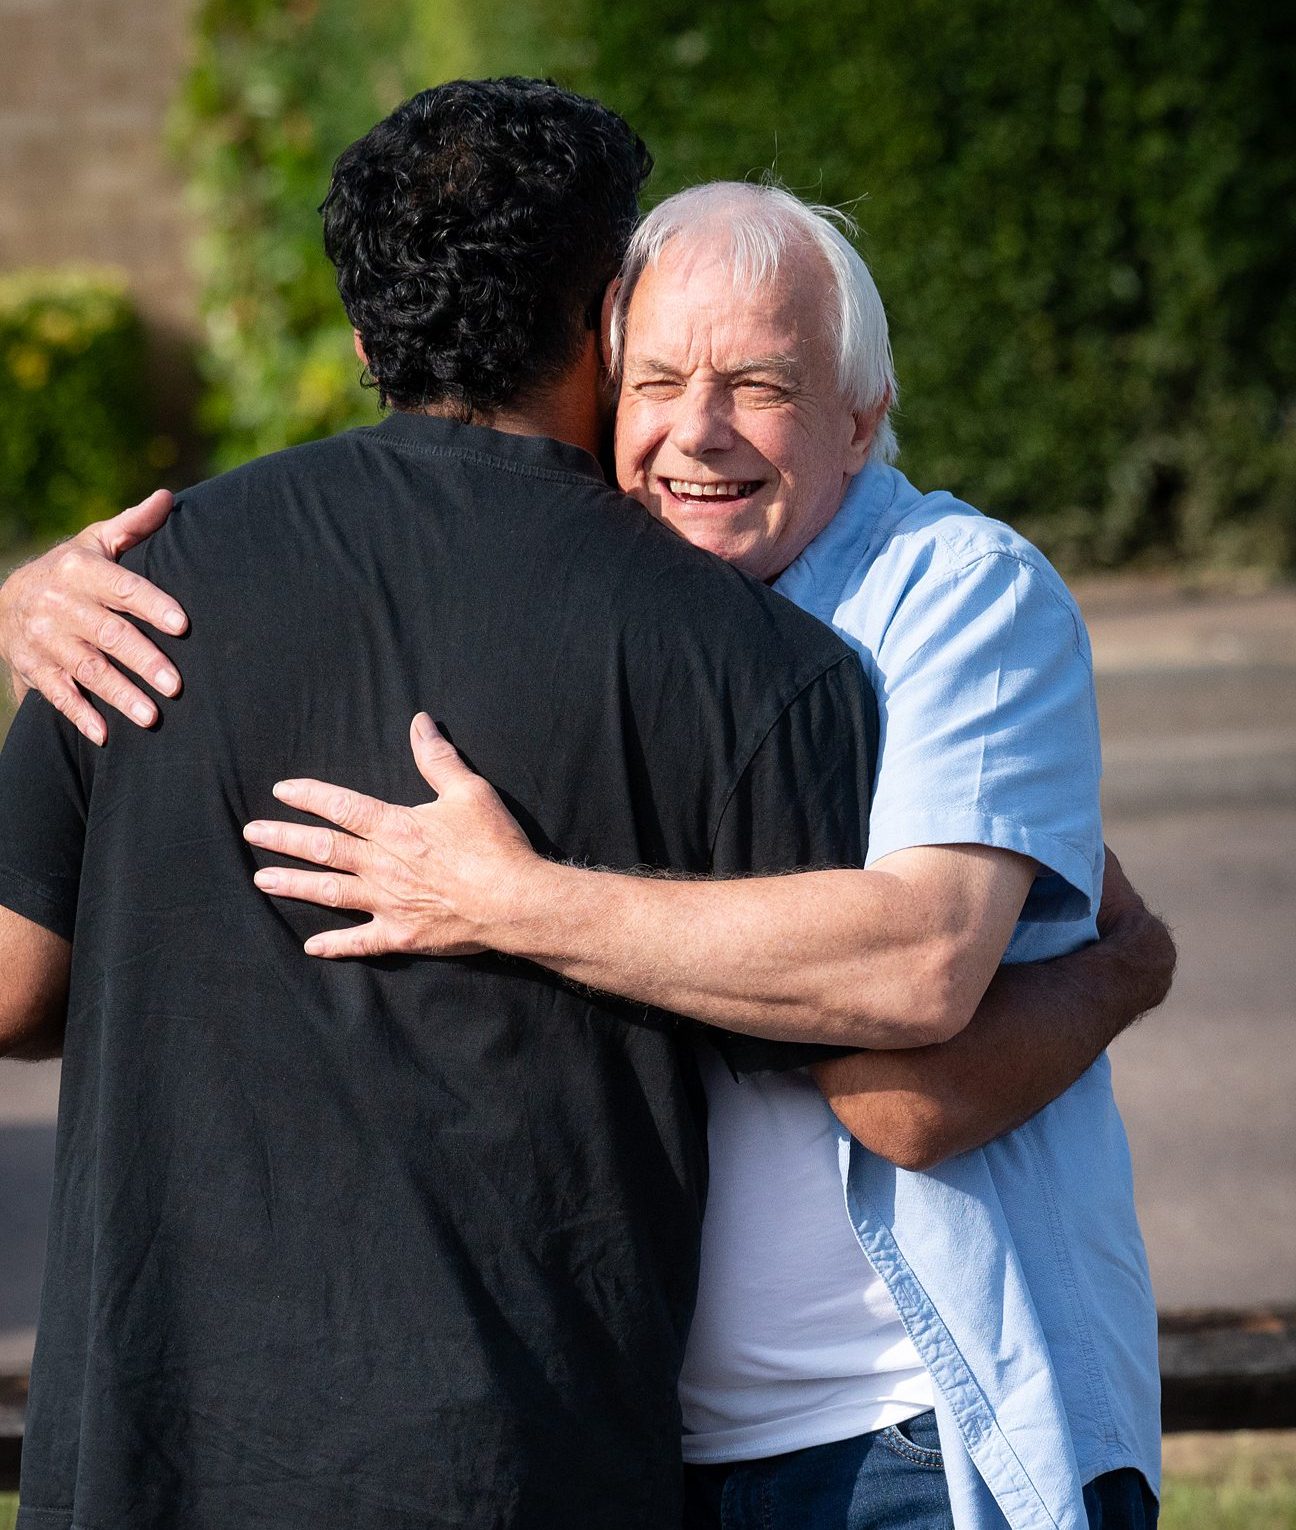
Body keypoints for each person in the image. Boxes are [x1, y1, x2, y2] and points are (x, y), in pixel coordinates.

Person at [0, 156, 1173, 1530]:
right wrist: (37, 596)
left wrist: (511, 896)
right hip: (665, 1436)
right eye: (659, 383)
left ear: (864, 420)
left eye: (765, 388)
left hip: (898, 1425)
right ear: (597, 375)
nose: (700, 433)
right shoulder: (639, 598)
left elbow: (908, 1043)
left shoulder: (952, 599)